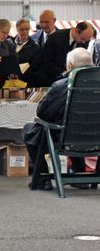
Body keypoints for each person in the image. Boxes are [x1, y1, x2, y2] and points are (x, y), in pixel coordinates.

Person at [24, 48, 96, 190]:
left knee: (30, 130)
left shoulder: (61, 86)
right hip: (96, 137)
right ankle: (81, 176)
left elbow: (43, 113)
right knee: (77, 127)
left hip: (64, 136)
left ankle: (42, 179)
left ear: (69, 65)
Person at [36, 21, 94, 87]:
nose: (84, 43)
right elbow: (45, 62)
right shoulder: (55, 38)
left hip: (72, 80)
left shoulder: (84, 40)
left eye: (86, 41)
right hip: (52, 80)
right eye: (82, 39)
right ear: (76, 31)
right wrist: (63, 72)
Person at [14, 18, 42, 87]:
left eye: (27, 29)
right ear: (17, 29)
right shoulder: (8, 43)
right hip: (7, 83)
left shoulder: (35, 48)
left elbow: (34, 69)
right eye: (22, 29)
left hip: (25, 84)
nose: (25, 32)